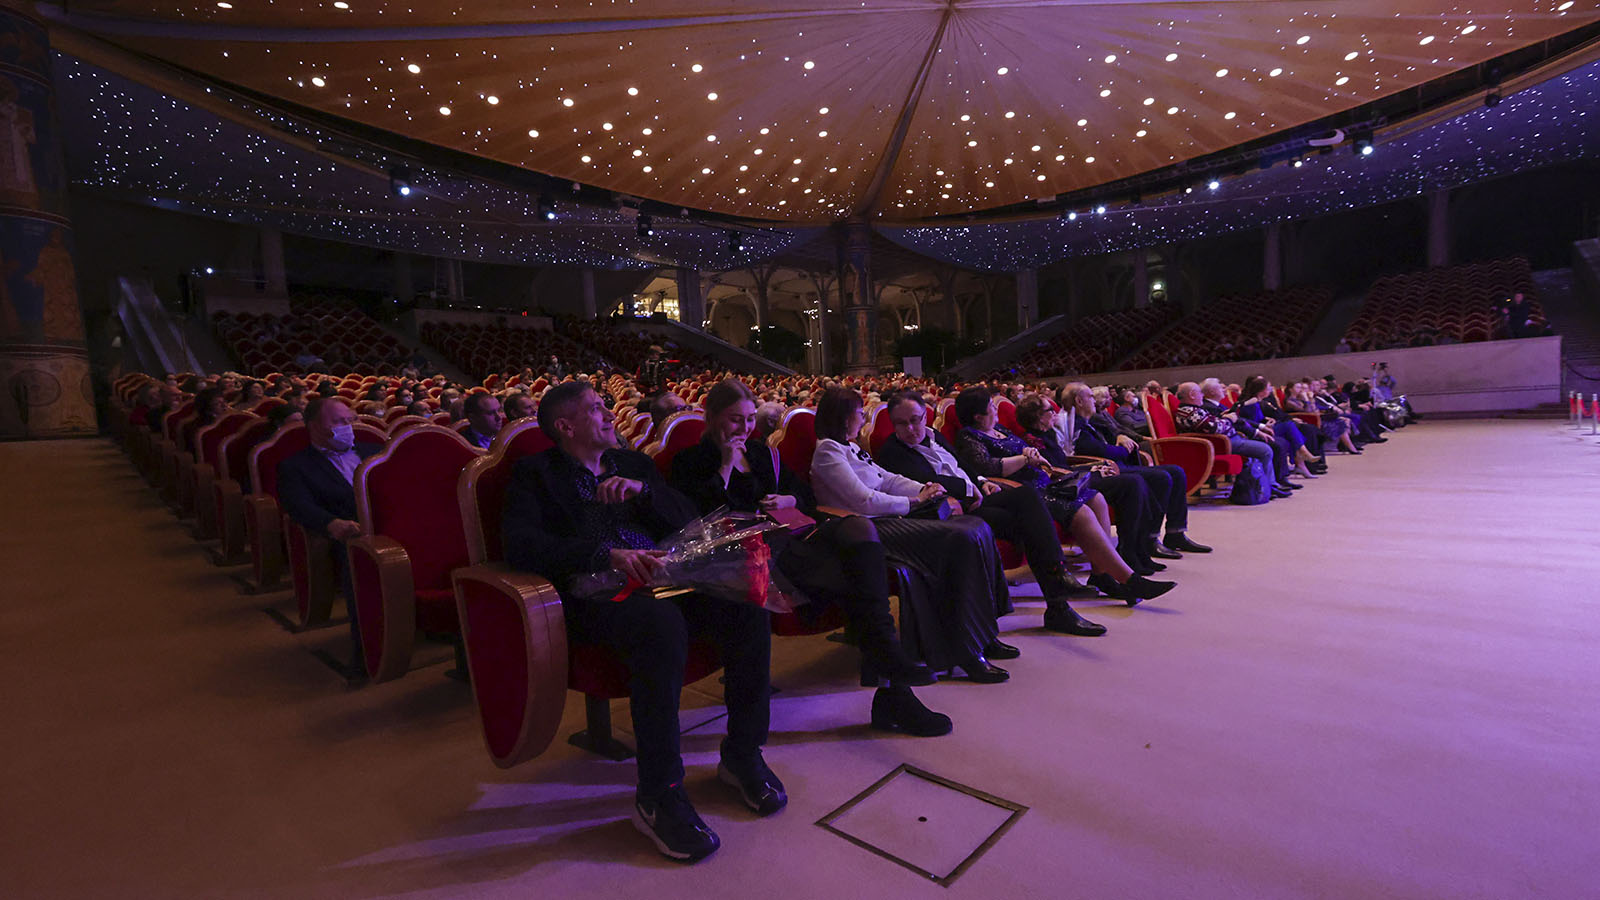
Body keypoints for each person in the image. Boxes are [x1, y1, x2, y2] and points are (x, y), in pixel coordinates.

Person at [502, 381, 781, 864]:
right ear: (566, 426)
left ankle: (742, 754)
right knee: (659, 624)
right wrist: (605, 554)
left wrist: (645, 492)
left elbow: (688, 517)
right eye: (597, 408)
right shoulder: (535, 475)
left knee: (746, 602)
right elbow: (522, 545)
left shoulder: (633, 464)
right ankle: (659, 794)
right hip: (596, 596)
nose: (610, 413)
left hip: (665, 579)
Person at [671, 379, 951, 737]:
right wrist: (725, 466)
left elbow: (803, 495)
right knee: (860, 579)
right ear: (711, 417)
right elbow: (696, 521)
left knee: (859, 533)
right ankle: (894, 685)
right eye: (735, 420)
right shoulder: (690, 460)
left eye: (749, 419)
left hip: (788, 541)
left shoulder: (760, 453)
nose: (744, 428)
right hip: (743, 557)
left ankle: (891, 672)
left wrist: (788, 500)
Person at [808, 387, 1017, 677]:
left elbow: (888, 479)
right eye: (859, 413)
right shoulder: (828, 451)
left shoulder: (850, 447)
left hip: (887, 519)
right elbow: (864, 500)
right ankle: (965, 651)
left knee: (977, 526)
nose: (863, 418)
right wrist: (915, 501)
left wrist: (925, 488)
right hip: (867, 529)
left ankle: (983, 632)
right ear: (844, 418)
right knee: (960, 537)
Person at [873, 391, 1108, 636]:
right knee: (1028, 517)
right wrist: (969, 488)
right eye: (901, 423)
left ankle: (1058, 593)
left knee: (1027, 499)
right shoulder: (892, 451)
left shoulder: (934, 435)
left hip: (977, 498)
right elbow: (926, 480)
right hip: (954, 511)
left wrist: (982, 481)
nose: (911, 428)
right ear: (893, 423)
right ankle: (1058, 595)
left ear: (925, 415)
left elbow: (962, 465)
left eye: (915, 419)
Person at [950, 388, 1175, 605]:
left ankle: (1102, 575)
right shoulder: (969, 436)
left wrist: (1031, 456)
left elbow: (1028, 452)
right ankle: (1130, 580)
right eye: (991, 406)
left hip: (1044, 481)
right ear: (978, 416)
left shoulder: (1000, 429)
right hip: (1023, 491)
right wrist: (1024, 459)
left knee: (1096, 498)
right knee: (1081, 511)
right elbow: (987, 468)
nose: (995, 408)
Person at [276, 397, 384, 670]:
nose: (347, 427)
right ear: (313, 426)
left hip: (391, 523)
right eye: (338, 422)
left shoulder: (376, 451)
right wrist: (331, 523)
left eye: (350, 420)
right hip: (351, 534)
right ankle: (368, 648)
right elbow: (299, 505)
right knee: (358, 559)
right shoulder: (296, 466)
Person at [1038, 389, 1211, 558]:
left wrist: (1120, 437)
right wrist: (1123, 449)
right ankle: (1150, 539)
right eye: (1091, 396)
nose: (1094, 400)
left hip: (1115, 463)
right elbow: (1094, 448)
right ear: (1079, 401)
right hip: (1104, 466)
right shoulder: (1072, 423)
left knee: (1176, 472)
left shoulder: (1093, 419)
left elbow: (1114, 433)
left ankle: (1176, 533)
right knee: (1161, 477)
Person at [1173, 381, 1292, 500]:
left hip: (1226, 439)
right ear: (1192, 394)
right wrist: (1229, 419)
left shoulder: (1194, 409)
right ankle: (1268, 487)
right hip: (1219, 443)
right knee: (1264, 450)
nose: (1202, 395)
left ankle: (1268, 485)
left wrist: (1225, 419)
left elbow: (1214, 423)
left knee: (1267, 445)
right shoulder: (1189, 411)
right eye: (1200, 393)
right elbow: (1213, 427)